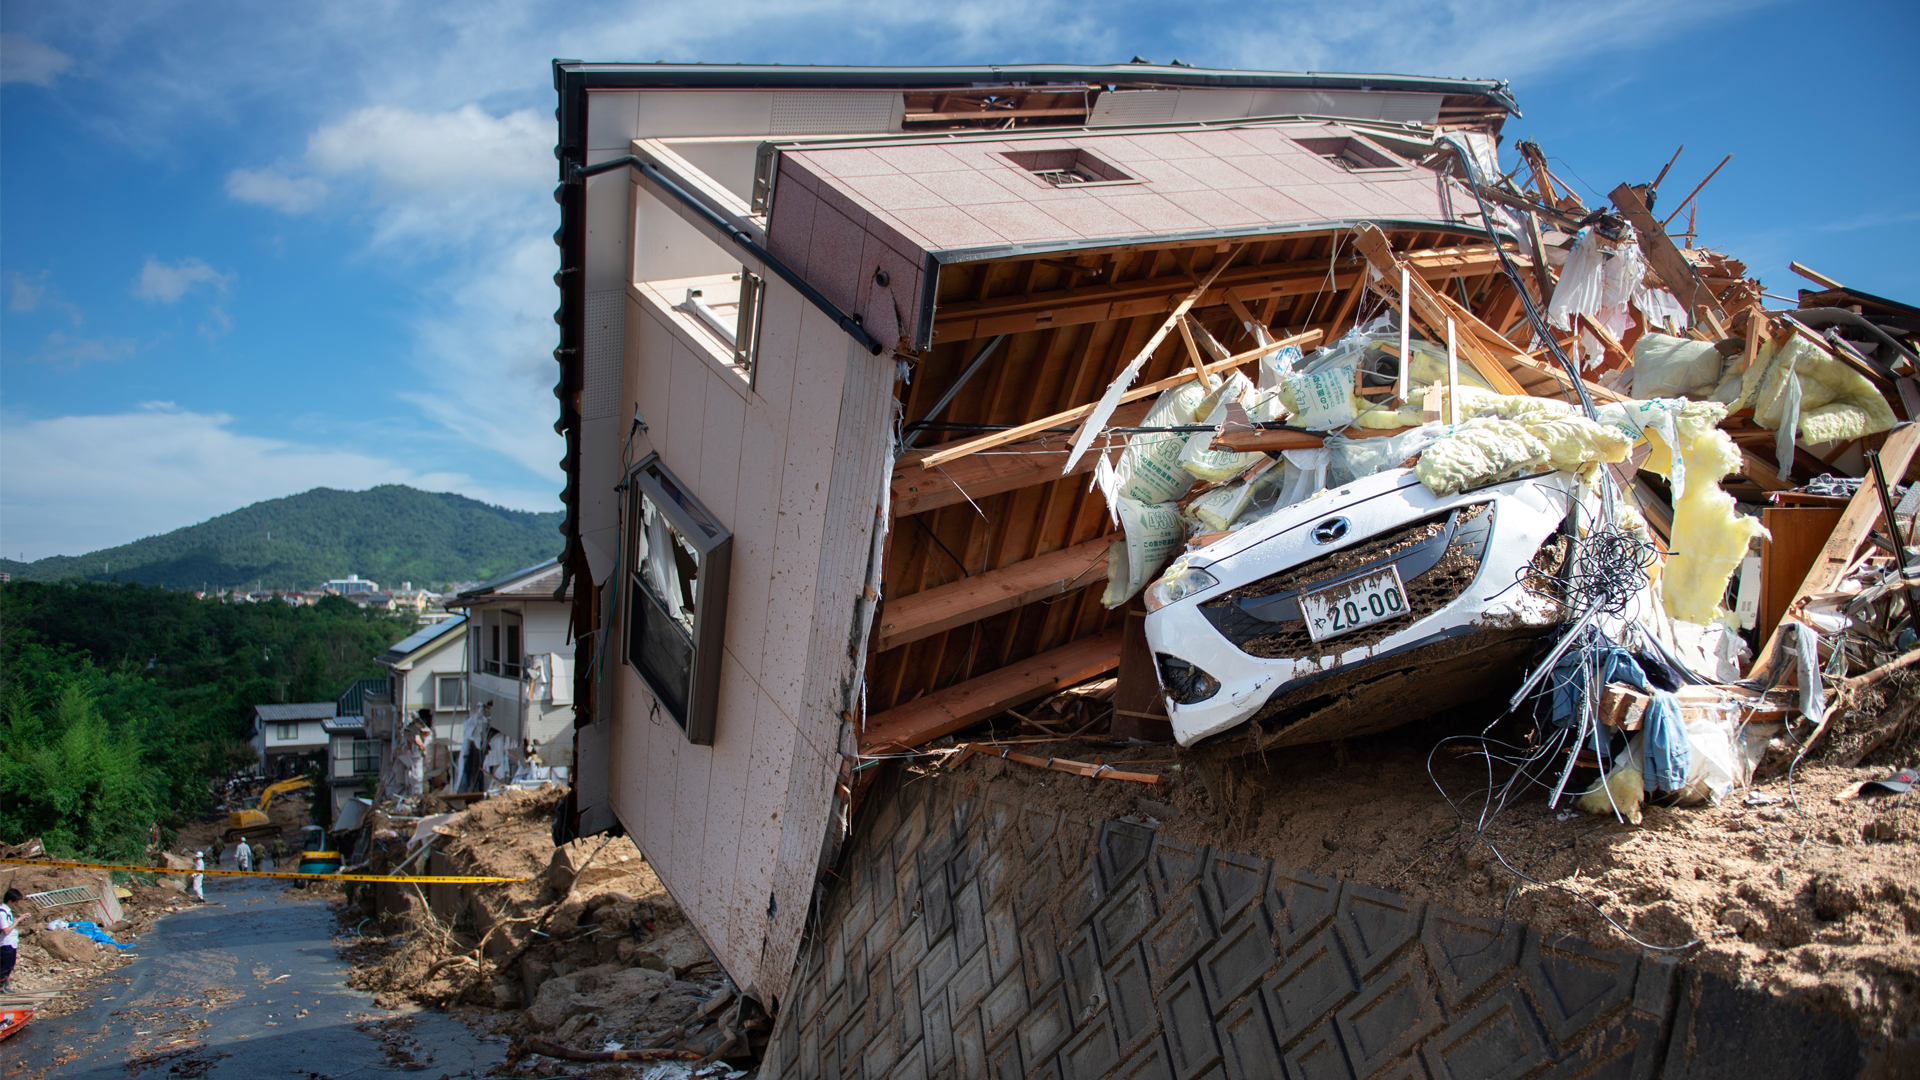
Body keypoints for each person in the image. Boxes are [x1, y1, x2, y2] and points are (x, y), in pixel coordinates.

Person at [1, 888, 21, 991]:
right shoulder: (2, 913)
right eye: (15, 902)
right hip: (6, 944)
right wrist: (18, 920)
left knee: (9, 966)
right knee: (4, 967)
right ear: (10, 901)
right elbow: (6, 930)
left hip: (11, 943)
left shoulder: (7, 912)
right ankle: (1, 988)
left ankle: (5, 987)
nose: (16, 904)